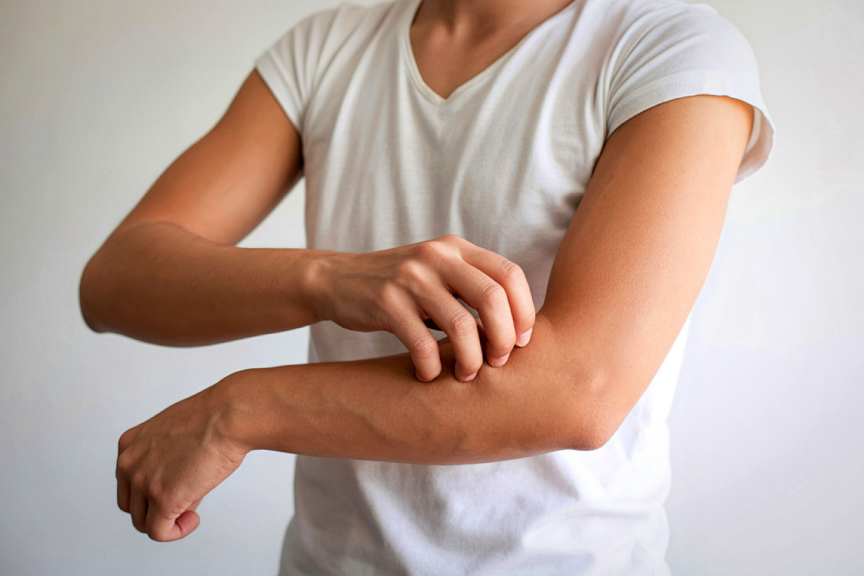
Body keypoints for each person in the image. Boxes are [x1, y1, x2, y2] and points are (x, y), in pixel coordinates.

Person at [79, 0, 775, 573]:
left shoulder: (673, 48)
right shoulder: (327, 48)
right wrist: (330, 279)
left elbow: (579, 388)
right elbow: (116, 278)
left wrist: (236, 410)